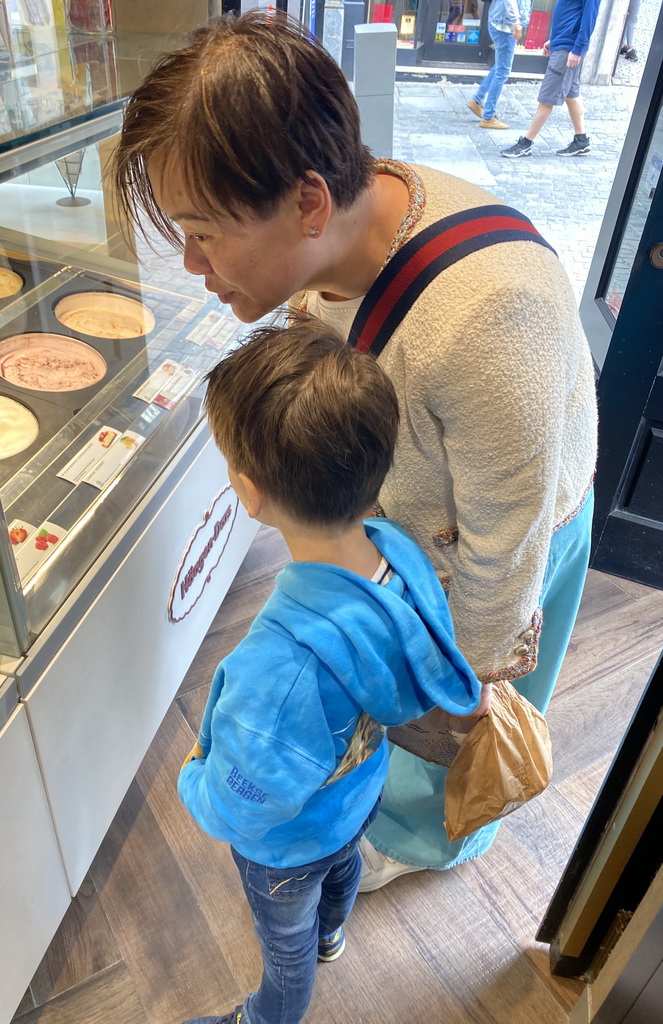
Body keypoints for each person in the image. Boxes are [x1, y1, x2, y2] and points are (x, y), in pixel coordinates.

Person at [114, 11, 597, 895]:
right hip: (402, 513)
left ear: (306, 201)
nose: (190, 262)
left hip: (500, 534)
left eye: (205, 230)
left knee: (446, 719)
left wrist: (464, 682)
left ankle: (420, 840)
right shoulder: (333, 238)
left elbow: (509, 538)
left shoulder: (492, 313)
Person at [175, 319, 482, 1024]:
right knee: (344, 862)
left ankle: (265, 1019)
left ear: (250, 495)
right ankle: (335, 931)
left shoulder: (281, 670)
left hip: (284, 848)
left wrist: (194, 777)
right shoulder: (399, 557)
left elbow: (242, 805)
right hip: (356, 796)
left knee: (286, 957)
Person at [501, 0, 602, 158]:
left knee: (547, 98)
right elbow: (568, 12)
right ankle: (581, 140)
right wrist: (554, 40)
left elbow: (589, 18)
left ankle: (525, 144)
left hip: (567, 49)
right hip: (563, 45)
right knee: (571, 95)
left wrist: (577, 49)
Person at [466, 0, 531, 130]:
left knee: (500, 67)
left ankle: (477, 101)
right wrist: (516, 23)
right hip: (505, 26)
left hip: (502, 23)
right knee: (502, 71)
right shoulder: (510, 24)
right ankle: (488, 117)